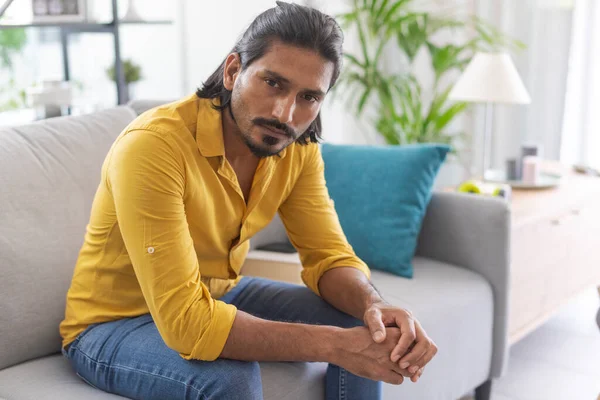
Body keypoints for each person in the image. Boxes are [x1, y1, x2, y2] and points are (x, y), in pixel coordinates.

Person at [59, 2, 437, 399]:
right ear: (233, 70)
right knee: (231, 380)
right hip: (111, 324)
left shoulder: (297, 147)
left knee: (370, 330)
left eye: (308, 97)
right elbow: (187, 323)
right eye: (273, 83)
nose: (285, 113)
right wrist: (335, 346)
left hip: (218, 293)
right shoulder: (154, 147)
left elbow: (329, 257)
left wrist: (373, 307)